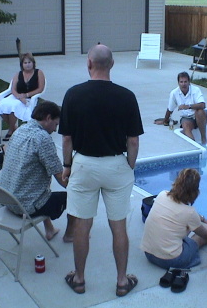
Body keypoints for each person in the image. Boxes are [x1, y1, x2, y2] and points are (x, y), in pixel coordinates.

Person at [59, 44, 144, 296]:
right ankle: (121, 281)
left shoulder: (73, 94)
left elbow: (66, 139)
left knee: (82, 226)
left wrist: (66, 166)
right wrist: (129, 164)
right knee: (118, 226)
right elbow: (133, 140)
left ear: (89, 64)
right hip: (116, 165)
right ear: (112, 64)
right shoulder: (126, 96)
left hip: (84, 165)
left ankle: (79, 279)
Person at [1, 101, 74, 242]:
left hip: (7, 198)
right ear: (48, 118)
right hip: (25, 207)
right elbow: (60, 176)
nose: (55, 129)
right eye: (56, 124)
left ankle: (50, 229)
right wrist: (77, 189)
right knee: (75, 196)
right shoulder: (42, 138)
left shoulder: (20, 130)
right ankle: (70, 234)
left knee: (40, 188)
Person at [141, 168, 207, 271]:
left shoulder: (162, 195)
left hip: (149, 254)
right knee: (200, 238)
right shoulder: (189, 212)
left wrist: (202, 219)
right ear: (195, 191)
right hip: (170, 260)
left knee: (181, 227)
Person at [0, 53, 46, 141]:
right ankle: (14, 128)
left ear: (33, 63)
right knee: (1, 106)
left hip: (29, 98)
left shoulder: (39, 73)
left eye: (29, 62)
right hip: (17, 96)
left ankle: (11, 131)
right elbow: (13, 89)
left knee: (14, 107)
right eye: (25, 63)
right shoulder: (18, 74)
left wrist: (26, 95)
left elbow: (40, 89)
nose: (27, 65)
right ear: (22, 65)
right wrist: (19, 97)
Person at [162, 71, 207, 144]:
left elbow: (202, 105)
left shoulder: (195, 90)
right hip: (187, 118)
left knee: (199, 111)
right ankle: (194, 144)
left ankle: (204, 138)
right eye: (181, 82)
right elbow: (170, 109)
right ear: (178, 83)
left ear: (189, 82)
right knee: (185, 125)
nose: (183, 84)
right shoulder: (174, 93)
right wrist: (165, 120)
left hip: (202, 116)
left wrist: (187, 106)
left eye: (185, 82)